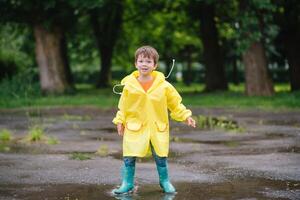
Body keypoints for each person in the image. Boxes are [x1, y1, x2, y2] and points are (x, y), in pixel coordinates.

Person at [112, 45, 196, 195]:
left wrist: (186, 116)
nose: (144, 64)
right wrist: (120, 121)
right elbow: (123, 106)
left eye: (148, 61)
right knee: (129, 156)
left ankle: (164, 181)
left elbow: (175, 103)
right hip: (134, 127)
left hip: (157, 127)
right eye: (141, 61)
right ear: (135, 64)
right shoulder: (129, 86)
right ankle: (127, 183)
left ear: (155, 65)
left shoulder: (164, 86)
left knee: (160, 157)